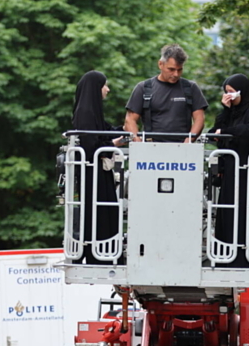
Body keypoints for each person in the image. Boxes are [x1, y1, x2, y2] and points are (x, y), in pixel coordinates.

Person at [207, 74, 249, 268]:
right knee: (227, 209)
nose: (229, 96)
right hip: (230, 171)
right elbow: (214, 131)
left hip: (246, 171)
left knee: (244, 209)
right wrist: (226, 111)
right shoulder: (230, 113)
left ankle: (243, 254)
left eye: (232, 93)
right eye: (226, 93)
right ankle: (225, 251)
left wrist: (227, 132)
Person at [71, 70, 125, 264]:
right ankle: (100, 255)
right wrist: (115, 144)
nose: (107, 89)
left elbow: (105, 131)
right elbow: (91, 145)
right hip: (92, 174)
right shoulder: (85, 113)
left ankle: (104, 253)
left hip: (96, 173)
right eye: (104, 85)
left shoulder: (90, 111)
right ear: (95, 88)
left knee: (105, 210)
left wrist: (126, 129)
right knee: (100, 211)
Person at [124, 44, 208, 142]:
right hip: (151, 147)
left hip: (183, 147)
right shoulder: (144, 88)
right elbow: (130, 120)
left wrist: (188, 142)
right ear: (160, 64)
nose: (176, 74)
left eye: (179, 70)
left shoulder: (190, 88)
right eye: (171, 69)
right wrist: (138, 143)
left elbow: (199, 119)